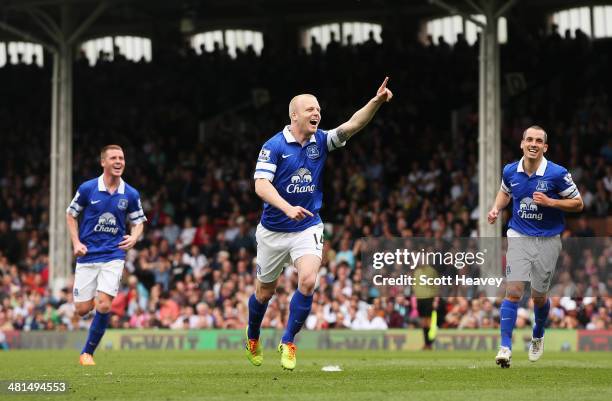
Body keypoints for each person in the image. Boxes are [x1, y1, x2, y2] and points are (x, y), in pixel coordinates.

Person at [246, 78, 393, 370]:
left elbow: (352, 125)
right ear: (295, 115)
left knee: (309, 280)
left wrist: (376, 101)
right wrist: (287, 208)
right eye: (311, 109)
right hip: (274, 230)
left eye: (319, 109)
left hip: (308, 225)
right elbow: (261, 185)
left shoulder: (321, 141)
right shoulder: (273, 146)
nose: (317, 113)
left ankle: (288, 341)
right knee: (264, 292)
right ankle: (252, 336)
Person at [488, 126, 583, 368]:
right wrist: (496, 208)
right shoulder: (510, 170)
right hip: (518, 234)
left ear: (545, 147)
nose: (533, 143)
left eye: (538, 141)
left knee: (539, 298)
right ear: (522, 143)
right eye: (529, 139)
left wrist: (551, 201)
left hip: (548, 240)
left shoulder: (557, 174)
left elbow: (578, 203)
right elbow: (504, 192)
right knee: (514, 291)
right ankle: (505, 347)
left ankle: (538, 334)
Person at [66, 144, 146, 365]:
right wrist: (76, 242)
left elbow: (139, 221)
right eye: (113, 158)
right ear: (103, 162)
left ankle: (87, 353)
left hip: (113, 254)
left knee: (104, 305)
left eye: (121, 157)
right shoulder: (87, 188)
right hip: (88, 255)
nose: (119, 161)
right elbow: (70, 215)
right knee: (82, 309)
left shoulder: (130, 193)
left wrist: (134, 236)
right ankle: (91, 300)